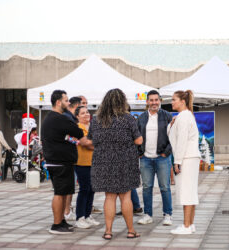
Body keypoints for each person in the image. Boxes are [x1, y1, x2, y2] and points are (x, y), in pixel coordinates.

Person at [88, 88, 143, 240]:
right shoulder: (128, 118)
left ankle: (108, 231)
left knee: (109, 197)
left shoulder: (97, 119)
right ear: (122, 101)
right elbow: (139, 140)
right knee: (126, 197)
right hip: (125, 161)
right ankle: (131, 231)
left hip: (104, 162)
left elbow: (92, 140)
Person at [41, 90, 89, 235]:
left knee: (63, 193)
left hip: (60, 161)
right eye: (66, 100)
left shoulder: (53, 118)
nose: (68, 103)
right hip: (58, 162)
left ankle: (61, 221)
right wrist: (74, 112)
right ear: (58, 102)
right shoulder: (58, 118)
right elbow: (78, 132)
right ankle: (56, 225)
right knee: (59, 193)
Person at [137, 90, 174, 226]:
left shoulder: (167, 116)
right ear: (147, 102)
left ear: (160, 101)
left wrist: (166, 152)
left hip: (162, 158)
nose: (154, 103)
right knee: (147, 188)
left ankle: (167, 214)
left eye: (156, 100)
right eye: (151, 100)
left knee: (165, 187)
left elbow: (173, 137)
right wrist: (139, 153)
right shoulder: (141, 118)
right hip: (145, 158)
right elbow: (135, 137)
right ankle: (147, 214)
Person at [168, 90, 200, 235]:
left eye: (174, 99)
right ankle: (190, 224)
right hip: (191, 157)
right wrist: (171, 124)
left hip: (186, 157)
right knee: (190, 192)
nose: (172, 102)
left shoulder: (184, 117)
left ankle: (186, 226)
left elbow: (181, 141)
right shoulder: (185, 116)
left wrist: (177, 161)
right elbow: (175, 136)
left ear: (182, 101)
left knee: (186, 192)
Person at [73, 106, 100, 228]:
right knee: (84, 189)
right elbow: (87, 145)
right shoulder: (78, 128)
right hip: (82, 163)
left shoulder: (93, 126)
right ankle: (80, 217)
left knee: (92, 189)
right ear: (77, 116)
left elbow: (93, 142)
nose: (86, 115)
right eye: (82, 113)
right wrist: (99, 144)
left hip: (94, 162)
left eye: (87, 112)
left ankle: (88, 215)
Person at [62, 96, 82, 220]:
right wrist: (77, 142)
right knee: (68, 187)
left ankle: (66, 210)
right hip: (68, 156)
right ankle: (66, 211)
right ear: (75, 107)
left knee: (70, 186)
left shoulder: (70, 118)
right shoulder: (67, 118)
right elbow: (65, 136)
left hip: (71, 156)